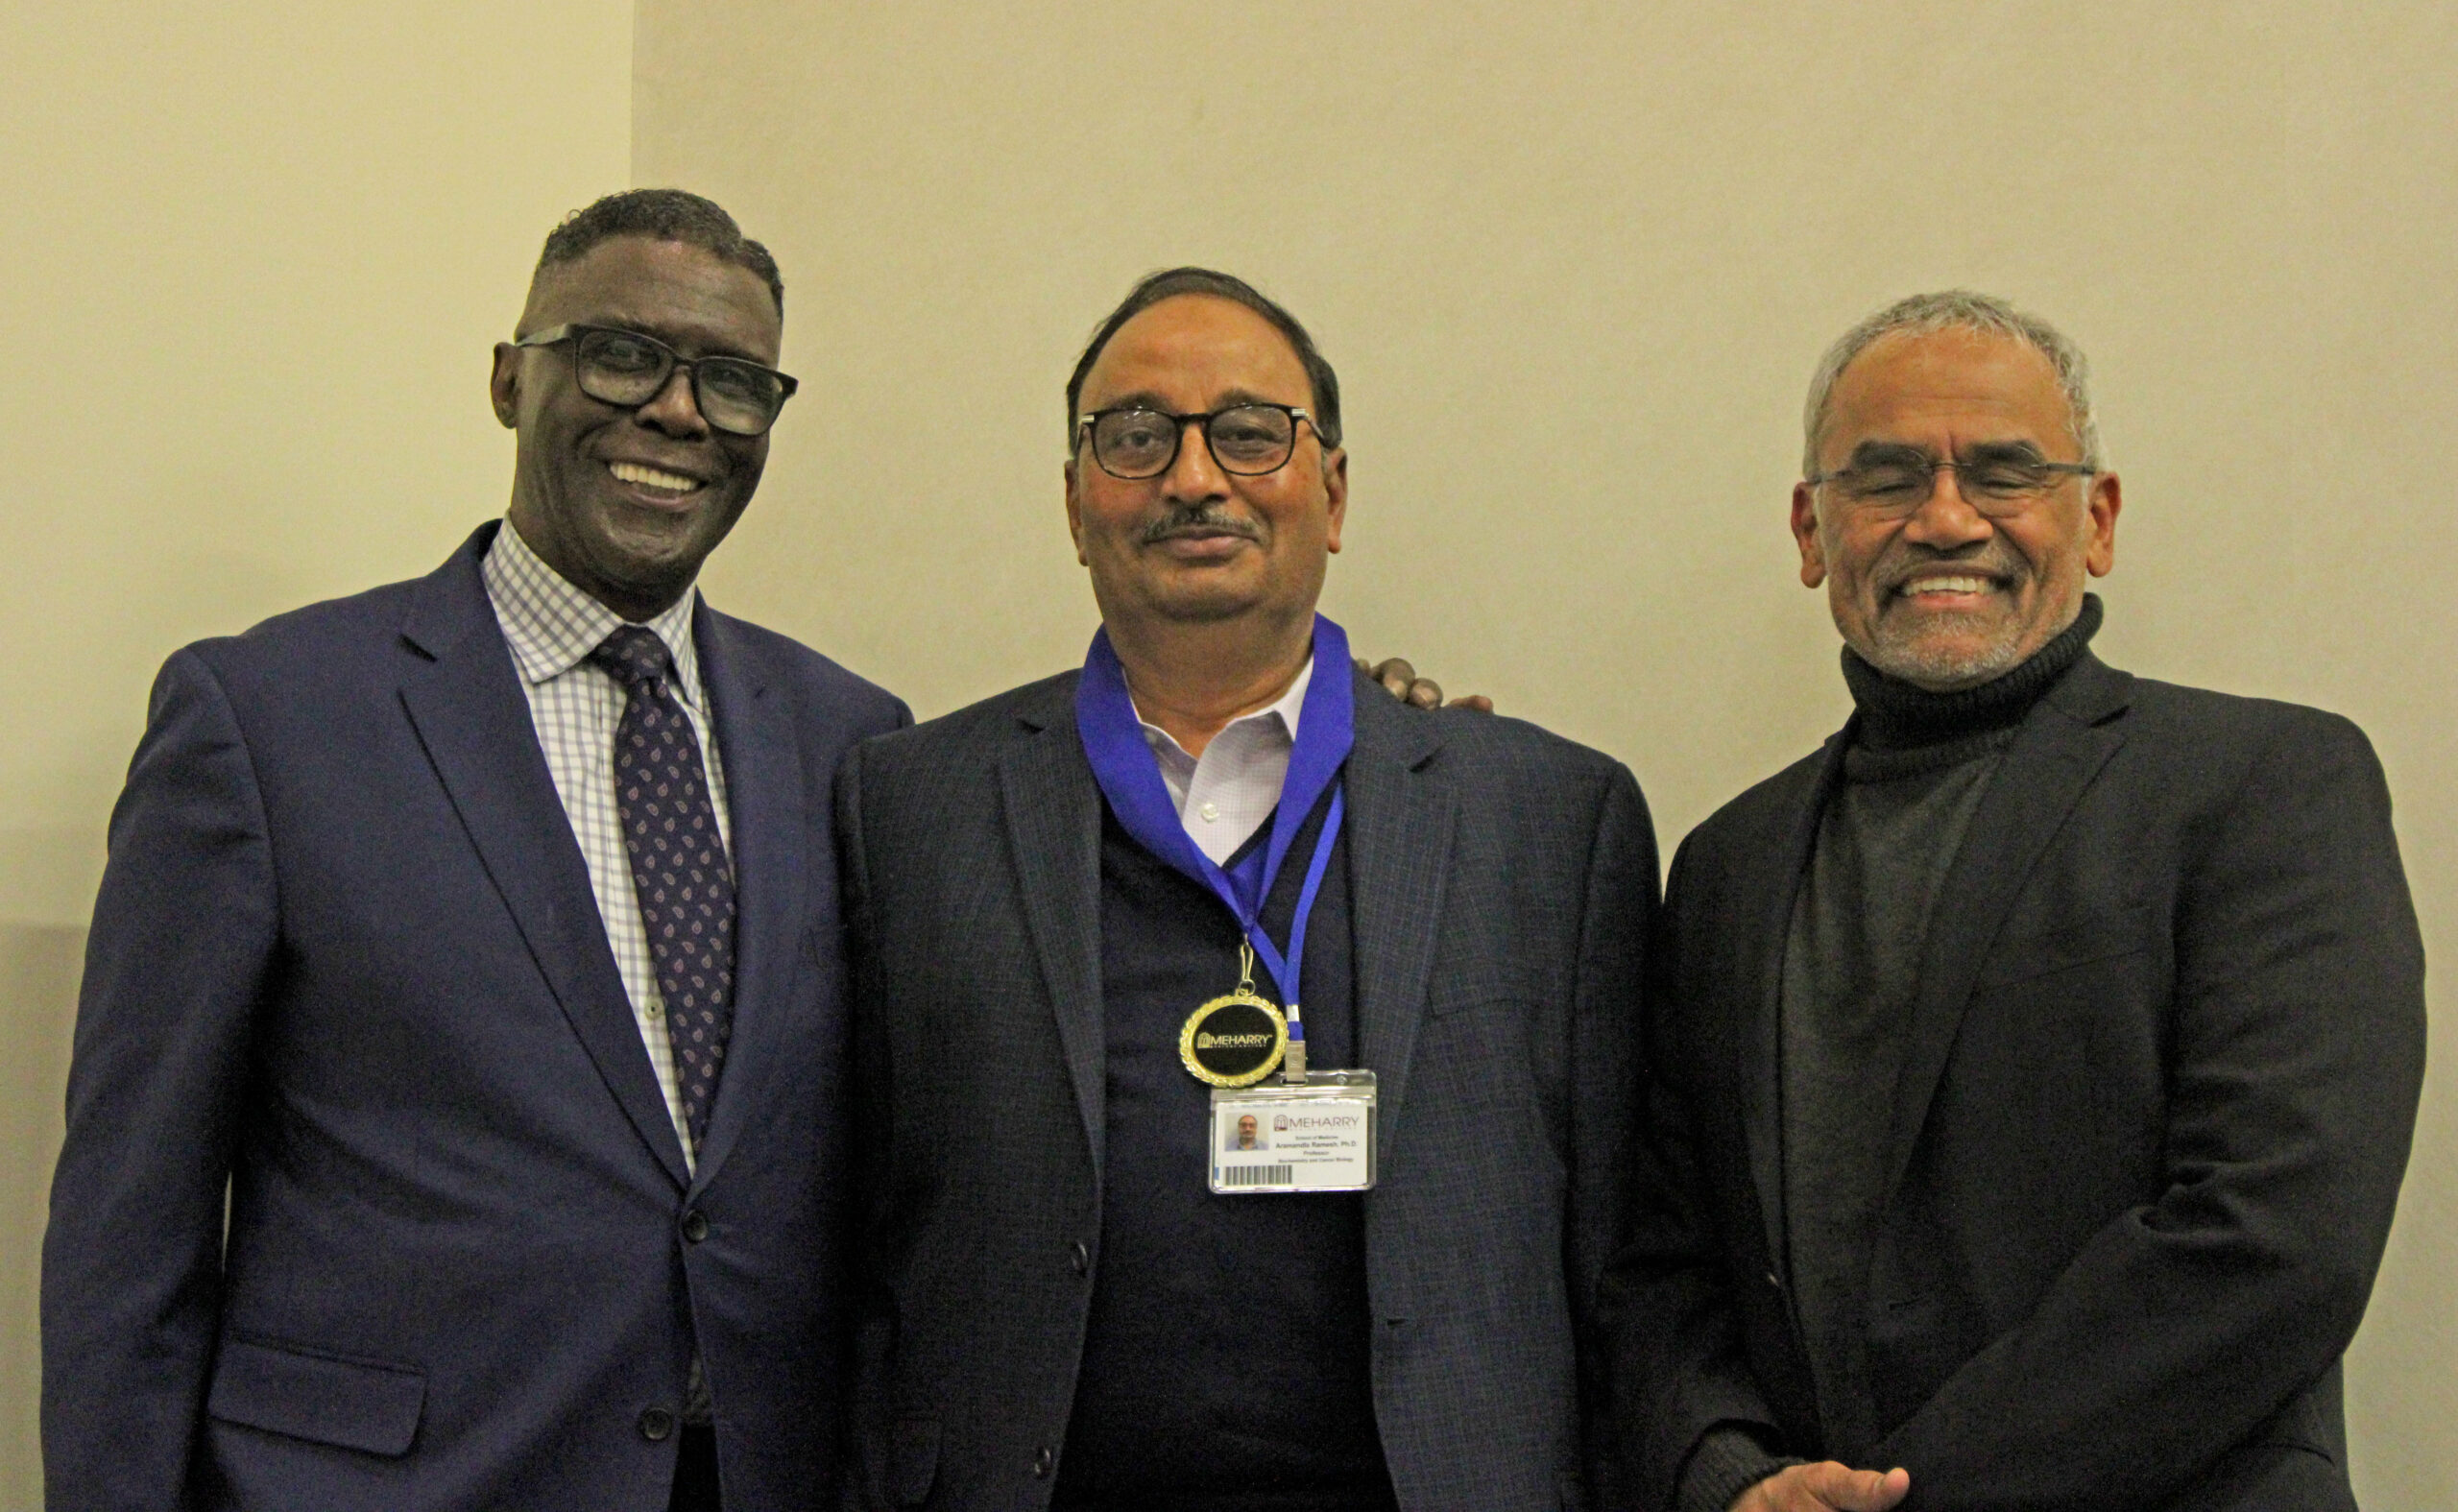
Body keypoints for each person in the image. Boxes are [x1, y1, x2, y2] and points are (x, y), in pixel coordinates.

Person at [43, 190, 910, 1512]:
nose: (680, 412)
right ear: (511, 379)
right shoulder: (267, 719)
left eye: (734, 383)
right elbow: (130, 1239)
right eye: (622, 353)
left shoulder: (851, 737)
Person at [833, 268, 1656, 1510]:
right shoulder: (904, 805)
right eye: (1135, 435)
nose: (1193, 476)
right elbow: (849, 1239)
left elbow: (1619, 1267)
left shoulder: (1551, 819)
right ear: (1072, 501)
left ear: (1332, 490)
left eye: (1251, 431)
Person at [1605, 291, 2426, 1512]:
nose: (1944, 519)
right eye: (1884, 477)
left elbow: (2273, 1241)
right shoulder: (1728, 862)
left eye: (2004, 471)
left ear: (2093, 518)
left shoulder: (2265, 787)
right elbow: (1668, 1264)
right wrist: (1728, 1473)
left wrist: (1901, 1499)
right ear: (1809, 529)